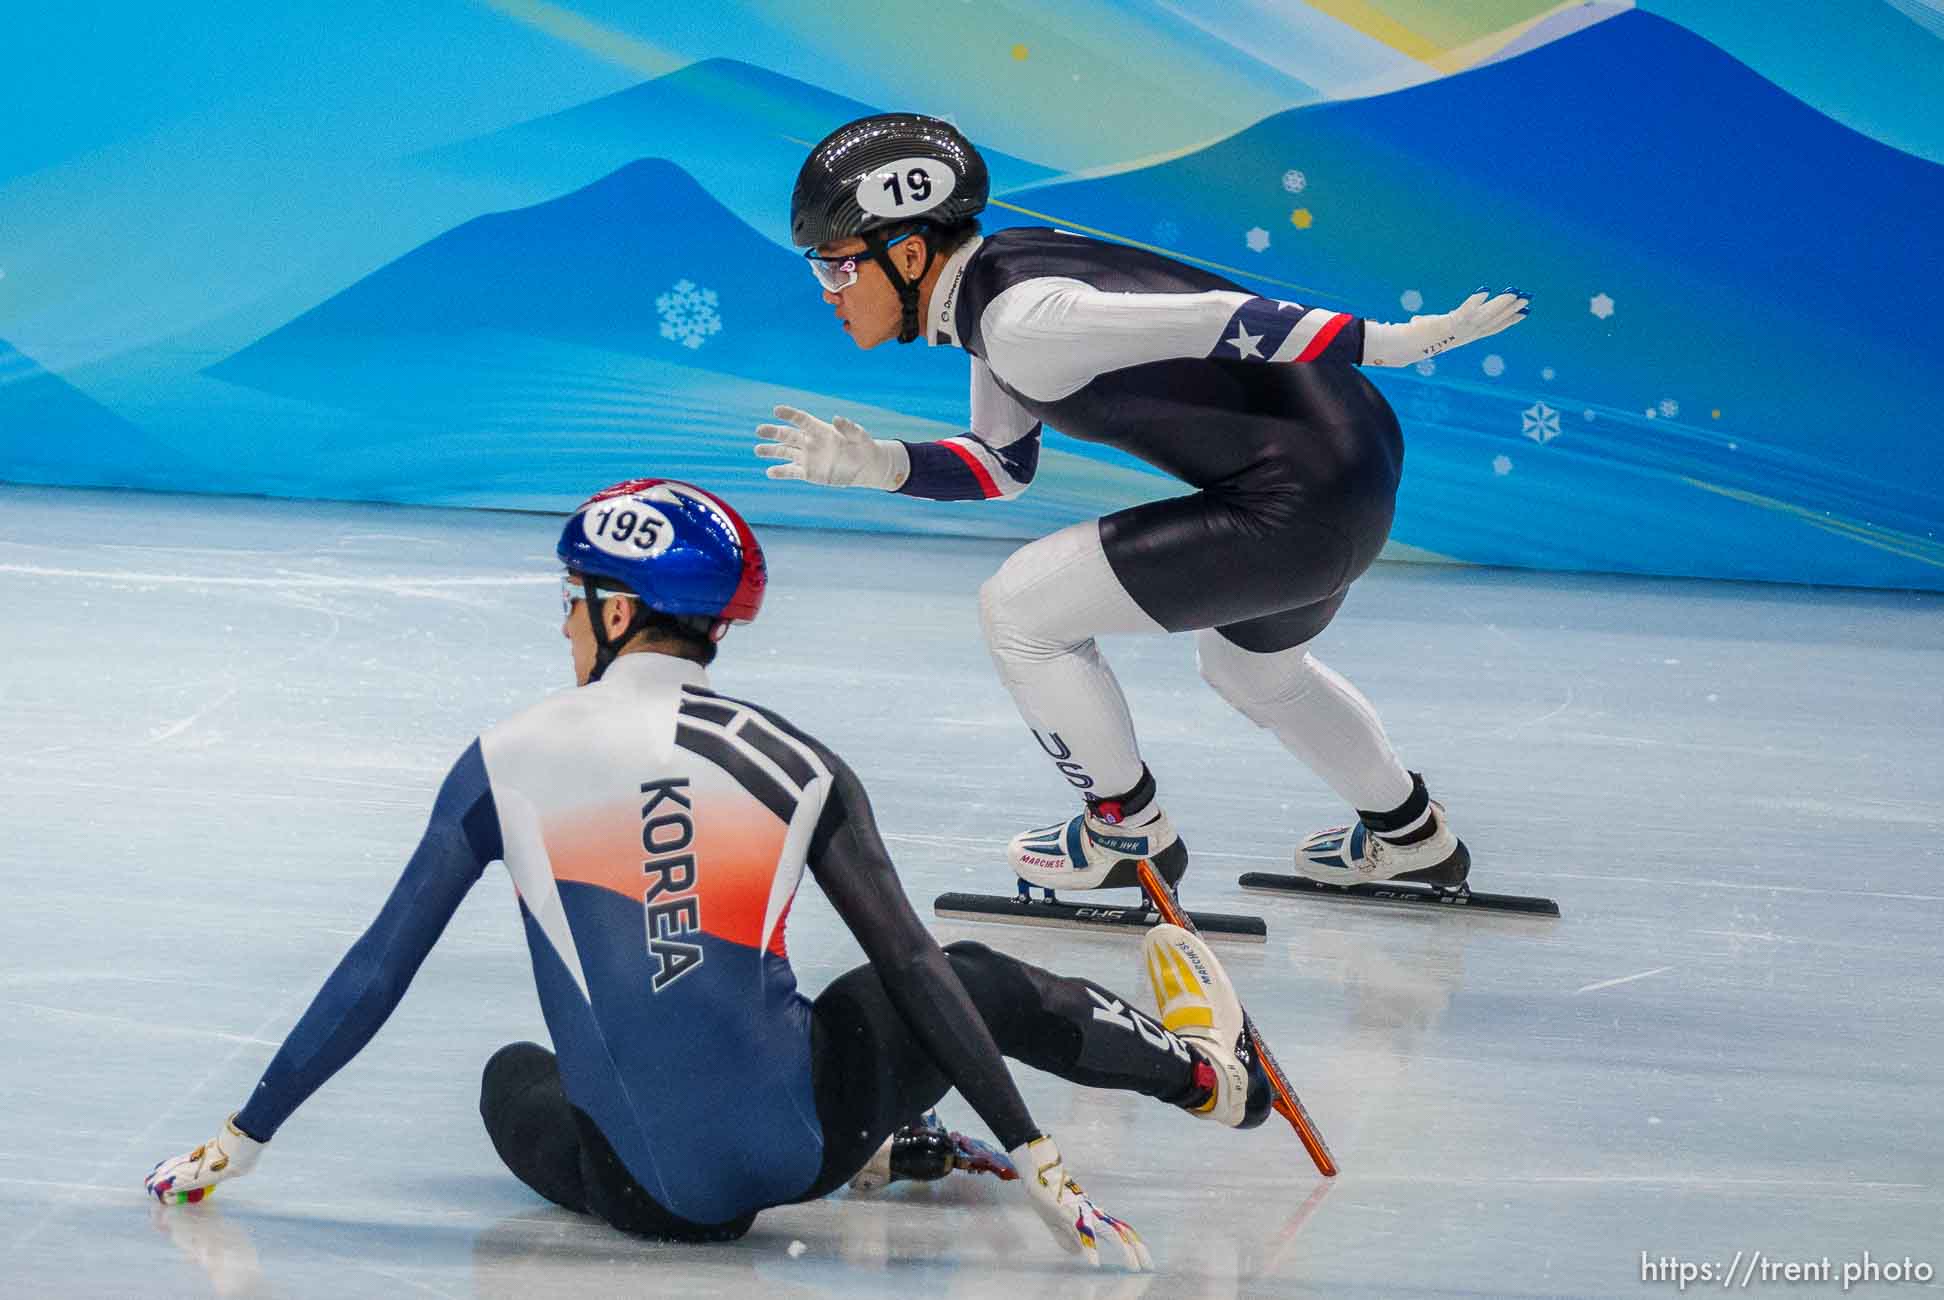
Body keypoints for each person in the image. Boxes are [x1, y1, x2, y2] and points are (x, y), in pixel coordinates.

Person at [144, 478, 1274, 1270]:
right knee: (968, 972)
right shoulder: (795, 757)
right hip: (802, 1141)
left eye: (574, 601)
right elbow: (922, 970)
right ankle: (1211, 1081)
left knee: (510, 1077)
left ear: (617, 610)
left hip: (641, 1197)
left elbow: (378, 968)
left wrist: (244, 1135)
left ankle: (894, 1150)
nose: (566, 628)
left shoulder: (505, 757)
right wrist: (1040, 1160)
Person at [757, 113, 1530, 899]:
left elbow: (1218, 318)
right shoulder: (997, 290)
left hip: (1299, 503)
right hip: (1354, 474)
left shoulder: (1019, 322)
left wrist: (1395, 342)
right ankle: (1411, 835)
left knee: (1019, 612)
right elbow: (1000, 464)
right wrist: (871, 463)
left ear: (910, 252)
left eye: (836, 270)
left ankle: (1126, 833)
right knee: (1253, 671)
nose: (830, 294)